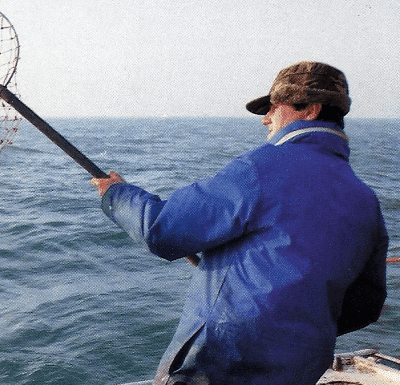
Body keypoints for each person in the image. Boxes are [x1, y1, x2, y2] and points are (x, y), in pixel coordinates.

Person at [91, 61, 388, 385]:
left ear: (311, 109)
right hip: (298, 372)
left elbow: (160, 229)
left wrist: (116, 195)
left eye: (274, 108)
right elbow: (367, 304)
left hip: (218, 368)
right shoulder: (366, 201)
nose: (266, 119)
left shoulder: (261, 168)